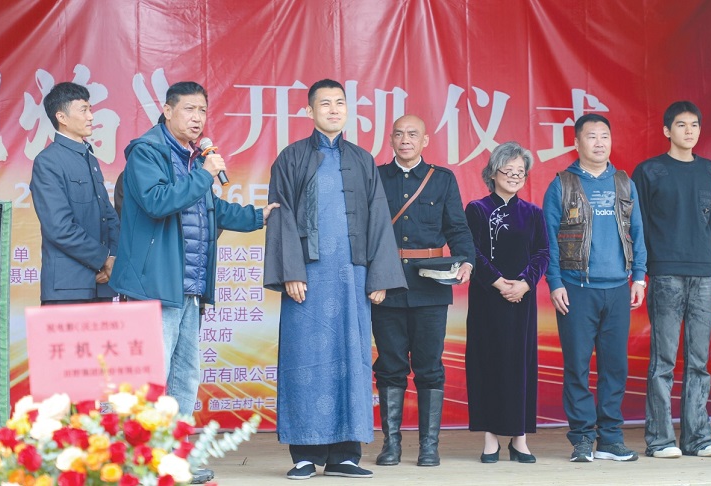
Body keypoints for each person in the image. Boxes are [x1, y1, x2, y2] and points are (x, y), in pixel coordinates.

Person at [264, 79, 407, 480]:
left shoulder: (362, 159)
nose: (333, 109)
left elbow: (378, 217)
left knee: (352, 359)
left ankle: (345, 454)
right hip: (307, 278)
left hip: (351, 277)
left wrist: (378, 276)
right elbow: (280, 214)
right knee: (304, 361)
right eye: (324, 103)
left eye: (339, 103)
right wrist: (291, 271)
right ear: (309, 111)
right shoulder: (291, 158)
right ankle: (305, 454)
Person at [109, 81, 278, 418]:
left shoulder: (192, 159)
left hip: (189, 286)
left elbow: (211, 209)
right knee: (152, 376)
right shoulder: (147, 153)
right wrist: (203, 174)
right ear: (168, 110)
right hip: (154, 284)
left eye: (202, 110)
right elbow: (158, 202)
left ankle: (178, 444)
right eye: (189, 109)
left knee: (185, 374)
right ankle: (146, 447)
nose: (197, 117)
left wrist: (258, 216)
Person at [371, 115, 475, 468]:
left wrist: (467, 261)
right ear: (390, 139)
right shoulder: (376, 177)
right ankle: (391, 446)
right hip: (386, 285)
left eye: (413, 134)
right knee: (390, 366)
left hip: (430, 287)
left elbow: (457, 228)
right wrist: (371, 279)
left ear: (425, 140)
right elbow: (365, 231)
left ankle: (429, 446)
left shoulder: (441, 179)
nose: (405, 140)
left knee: (429, 367)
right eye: (399, 134)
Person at [543, 113, 647, 463]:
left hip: (618, 288)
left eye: (605, 136)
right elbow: (548, 240)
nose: (599, 142)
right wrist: (555, 282)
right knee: (577, 367)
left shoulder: (624, 183)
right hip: (576, 288)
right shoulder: (562, 184)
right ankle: (583, 439)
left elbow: (638, 232)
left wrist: (639, 277)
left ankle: (610, 440)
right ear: (576, 143)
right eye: (591, 136)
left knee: (614, 368)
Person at [632, 101, 711, 459]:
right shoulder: (649, 171)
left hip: (704, 272)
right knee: (664, 361)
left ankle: (697, 438)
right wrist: (641, 272)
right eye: (681, 125)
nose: (689, 131)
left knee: (699, 362)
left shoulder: (710, 171)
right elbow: (637, 226)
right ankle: (660, 440)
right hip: (665, 271)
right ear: (667, 131)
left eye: (694, 125)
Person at [465, 142, 549, 464]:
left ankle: (519, 438)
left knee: (520, 365)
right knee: (487, 363)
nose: (514, 176)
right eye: (508, 170)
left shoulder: (533, 213)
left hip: (522, 300)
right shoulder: (477, 209)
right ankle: (490, 438)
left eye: (520, 172)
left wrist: (525, 283)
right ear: (493, 173)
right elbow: (472, 251)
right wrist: (499, 282)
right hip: (487, 297)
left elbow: (542, 252)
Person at [30, 81, 119, 306]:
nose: (91, 117)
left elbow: (109, 216)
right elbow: (59, 228)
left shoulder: (89, 158)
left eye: (90, 109)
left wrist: (114, 258)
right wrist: (103, 259)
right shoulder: (48, 161)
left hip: (103, 283)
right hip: (67, 288)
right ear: (62, 117)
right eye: (84, 110)